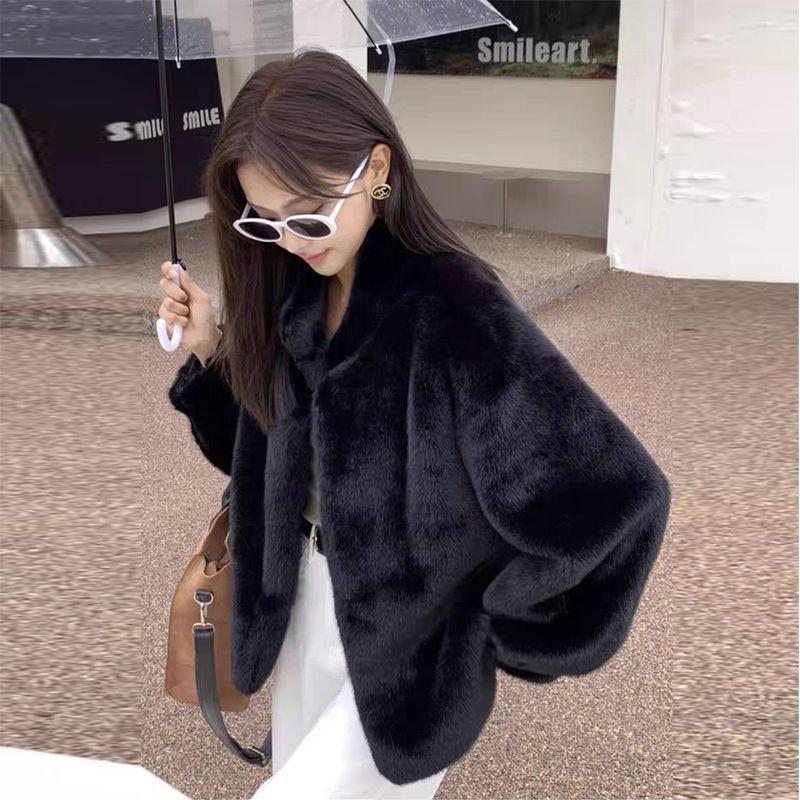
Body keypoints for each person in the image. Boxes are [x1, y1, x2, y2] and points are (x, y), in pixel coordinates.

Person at [159, 48, 671, 799]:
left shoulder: (455, 307)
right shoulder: (298, 296)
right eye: (265, 223)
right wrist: (211, 351)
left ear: (376, 168)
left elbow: (619, 498)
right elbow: (263, 462)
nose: (293, 240)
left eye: (308, 212)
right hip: (303, 604)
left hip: (410, 641)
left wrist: (494, 628)